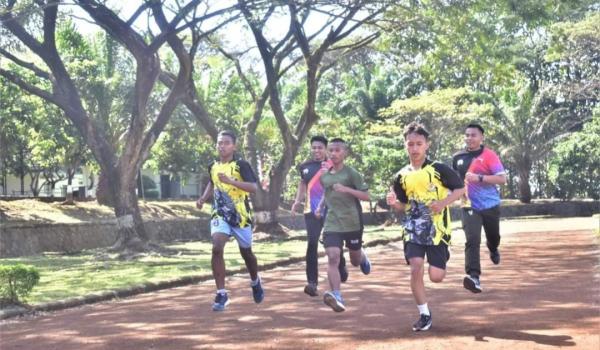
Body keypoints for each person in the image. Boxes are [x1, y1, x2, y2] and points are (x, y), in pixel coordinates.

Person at [386, 122, 465, 331]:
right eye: (410, 144)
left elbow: (459, 189)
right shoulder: (401, 176)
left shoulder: (438, 169)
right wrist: (395, 203)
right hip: (412, 228)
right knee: (416, 267)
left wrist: (442, 203)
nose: (414, 148)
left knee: (436, 277)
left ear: (426, 145)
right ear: (405, 145)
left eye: (418, 144)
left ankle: (442, 257)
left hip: (437, 230)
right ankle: (424, 314)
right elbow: (402, 206)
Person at [196, 130, 264, 311]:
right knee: (217, 247)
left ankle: (255, 281)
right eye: (219, 143)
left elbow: (253, 188)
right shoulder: (213, 166)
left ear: (234, 146)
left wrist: (231, 181)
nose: (222, 146)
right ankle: (221, 293)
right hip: (220, 214)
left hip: (241, 216)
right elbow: (212, 181)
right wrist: (203, 198)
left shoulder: (241, 165)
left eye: (226, 143)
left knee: (247, 253)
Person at [316, 138, 371, 312]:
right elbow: (327, 193)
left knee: (354, 261)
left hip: (352, 222)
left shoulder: (351, 173)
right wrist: (319, 206)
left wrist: (347, 189)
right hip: (332, 222)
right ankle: (336, 295)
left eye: (337, 150)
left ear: (344, 153)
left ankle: (361, 256)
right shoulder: (324, 175)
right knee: (332, 257)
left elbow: (366, 196)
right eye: (331, 150)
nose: (333, 153)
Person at [452, 123, 506, 293]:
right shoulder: (458, 157)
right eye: (467, 135)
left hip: (490, 204)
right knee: (472, 239)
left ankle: (493, 248)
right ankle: (473, 276)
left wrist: (479, 178)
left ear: (481, 137)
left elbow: (502, 179)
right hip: (468, 205)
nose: (469, 138)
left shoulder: (489, 155)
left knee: (493, 235)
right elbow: (454, 182)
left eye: (473, 135)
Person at [291, 136, 348, 297]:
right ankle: (312, 282)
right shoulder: (305, 166)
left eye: (320, 147)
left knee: (334, 242)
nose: (316, 150)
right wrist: (297, 202)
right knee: (312, 243)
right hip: (311, 211)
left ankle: (341, 266)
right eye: (314, 147)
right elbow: (303, 184)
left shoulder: (334, 164)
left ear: (326, 149)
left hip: (331, 210)